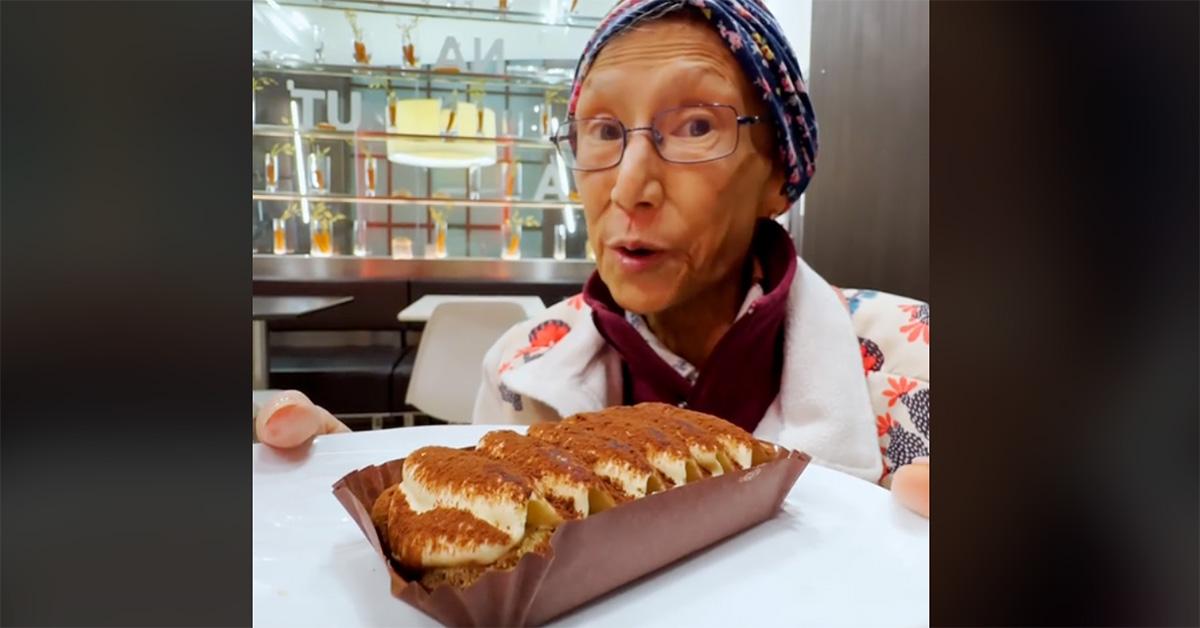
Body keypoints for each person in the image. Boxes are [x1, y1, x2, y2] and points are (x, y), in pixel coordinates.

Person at [255, 0, 930, 517]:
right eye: (603, 131)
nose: (630, 187)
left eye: (697, 125)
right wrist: (367, 509)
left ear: (781, 173)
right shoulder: (523, 364)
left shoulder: (914, 360)